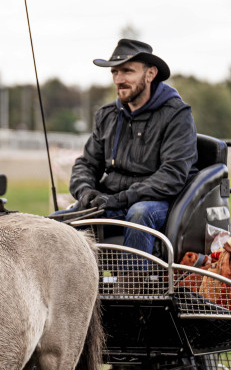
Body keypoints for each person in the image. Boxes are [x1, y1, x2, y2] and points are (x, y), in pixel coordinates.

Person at [69, 39, 197, 256]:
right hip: (112, 200)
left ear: (150, 74)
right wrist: (85, 191)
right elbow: (87, 164)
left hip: (160, 203)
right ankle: (80, 287)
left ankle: (134, 285)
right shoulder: (107, 115)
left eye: (128, 71)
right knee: (61, 223)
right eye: (115, 72)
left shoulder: (177, 115)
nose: (119, 80)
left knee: (139, 213)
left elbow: (172, 175)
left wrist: (119, 199)